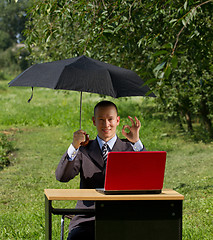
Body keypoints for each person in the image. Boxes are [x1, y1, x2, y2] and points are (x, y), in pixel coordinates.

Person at [55, 100, 146, 240]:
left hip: (122, 217)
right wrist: (74, 146)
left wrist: (137, 143)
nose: (106, 124)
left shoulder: (130, 148)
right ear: (94, 121)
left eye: (110, 119)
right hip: (87, 219)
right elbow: (62, 176)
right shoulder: (83, 149)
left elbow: (147, 178)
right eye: (101, 120)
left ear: (117, 120)